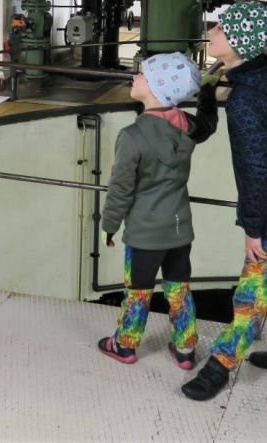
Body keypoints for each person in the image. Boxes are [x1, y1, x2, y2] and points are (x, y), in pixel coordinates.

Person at [181, 0, 267, 401]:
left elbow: (259, 170)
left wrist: (253, 227)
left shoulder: (244, 100)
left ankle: (219, 367)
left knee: (252, 293)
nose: (212, 30)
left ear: (243, 43)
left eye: (222, 28)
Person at [97, 51, 218, 370]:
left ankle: (125, 344)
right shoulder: (187, 127)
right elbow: (208, 124)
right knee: (179, 290)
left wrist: (109, 225)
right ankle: (185, 348)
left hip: (145, 233)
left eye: (141, 74)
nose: (134, 77)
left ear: (155, 88)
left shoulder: (132, 136)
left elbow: (121, 188)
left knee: (138, 292)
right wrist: (208, 90)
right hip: (179, 228)